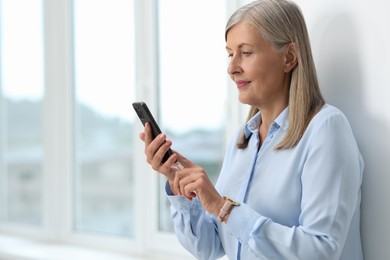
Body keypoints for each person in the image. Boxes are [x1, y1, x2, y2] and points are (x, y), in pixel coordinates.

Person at [139, 0, 364, 259]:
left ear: (289, 57)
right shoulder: (243, 140)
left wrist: (224, 207)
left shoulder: (325, 130)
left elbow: (321, 250)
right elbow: (211, 248)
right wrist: (179, 184)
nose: (232, 68)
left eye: (246, 53)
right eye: (230, 54)